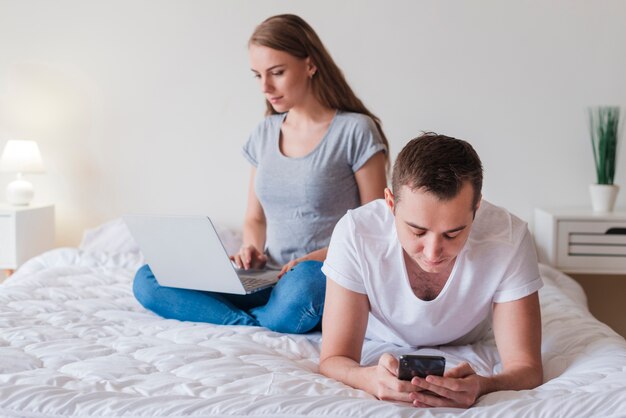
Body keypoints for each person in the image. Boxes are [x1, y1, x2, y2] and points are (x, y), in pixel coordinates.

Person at [132, 14, 388, 334]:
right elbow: (255, 218)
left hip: (321, 274)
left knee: (304, 286)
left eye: (277, 73)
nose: (265, 87)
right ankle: (255, 322)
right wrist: (250, 250)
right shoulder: (264, 133)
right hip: (267, 275)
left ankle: (258, 314)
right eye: (257, 76)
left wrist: (315, 257)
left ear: (310, 65)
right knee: (148, 277)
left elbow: (375, 225)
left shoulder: (355, 131)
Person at [319, 133, 543, 408]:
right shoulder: (356, 232)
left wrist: (484, 384)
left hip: (469, 336)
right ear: (391, 203)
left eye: (453, 233)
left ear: (477, 208)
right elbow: (334, 359)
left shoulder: (509, 237)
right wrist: (369, 379)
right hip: (380, 335)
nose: (432, 252)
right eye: (418, 231)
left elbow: (527, 368)